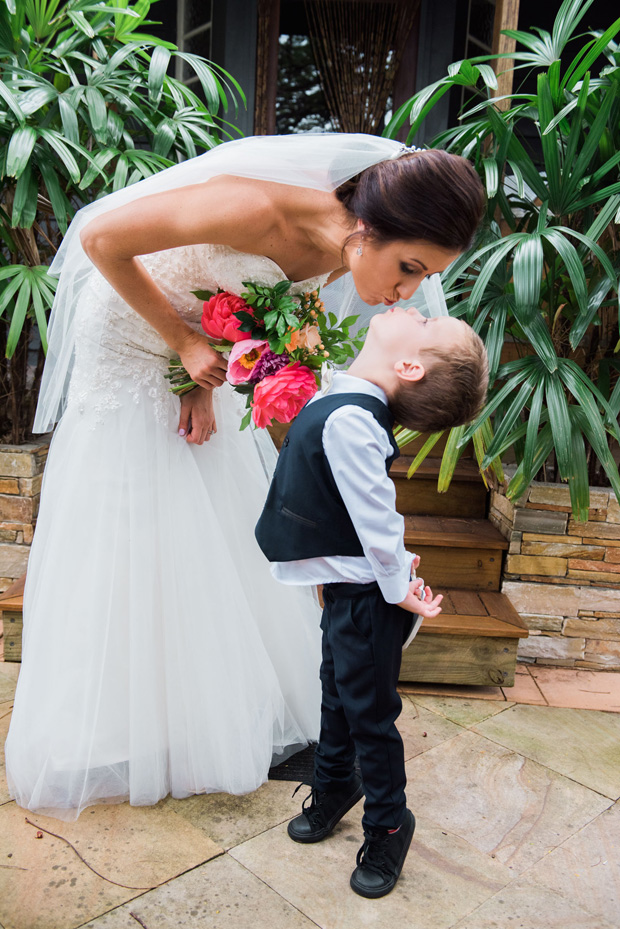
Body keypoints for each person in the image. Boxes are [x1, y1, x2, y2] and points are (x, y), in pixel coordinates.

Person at [5, 133, 485, 821]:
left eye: (421, 278)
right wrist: (183, 345)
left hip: (195, 353)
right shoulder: (254, 205)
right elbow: (103, 239)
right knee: (134, 511)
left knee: (206, 517)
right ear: (368, 228)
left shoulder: (339, 256)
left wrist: (201, 379)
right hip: (129, 328)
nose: (404, 292)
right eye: (408, 266)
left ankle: (198, 716)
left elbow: (248, 314)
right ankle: (117, 729)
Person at [255, 305, 489, 898]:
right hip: (346, 589)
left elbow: (379, 522)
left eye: (431, 324)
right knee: (335, 692)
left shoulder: (353, 422)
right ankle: (335, 784)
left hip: (369, 599)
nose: (420, 307)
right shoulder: (345, 396)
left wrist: (397, 591)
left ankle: (389, 822)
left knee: (371, 717)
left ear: (409, 364)